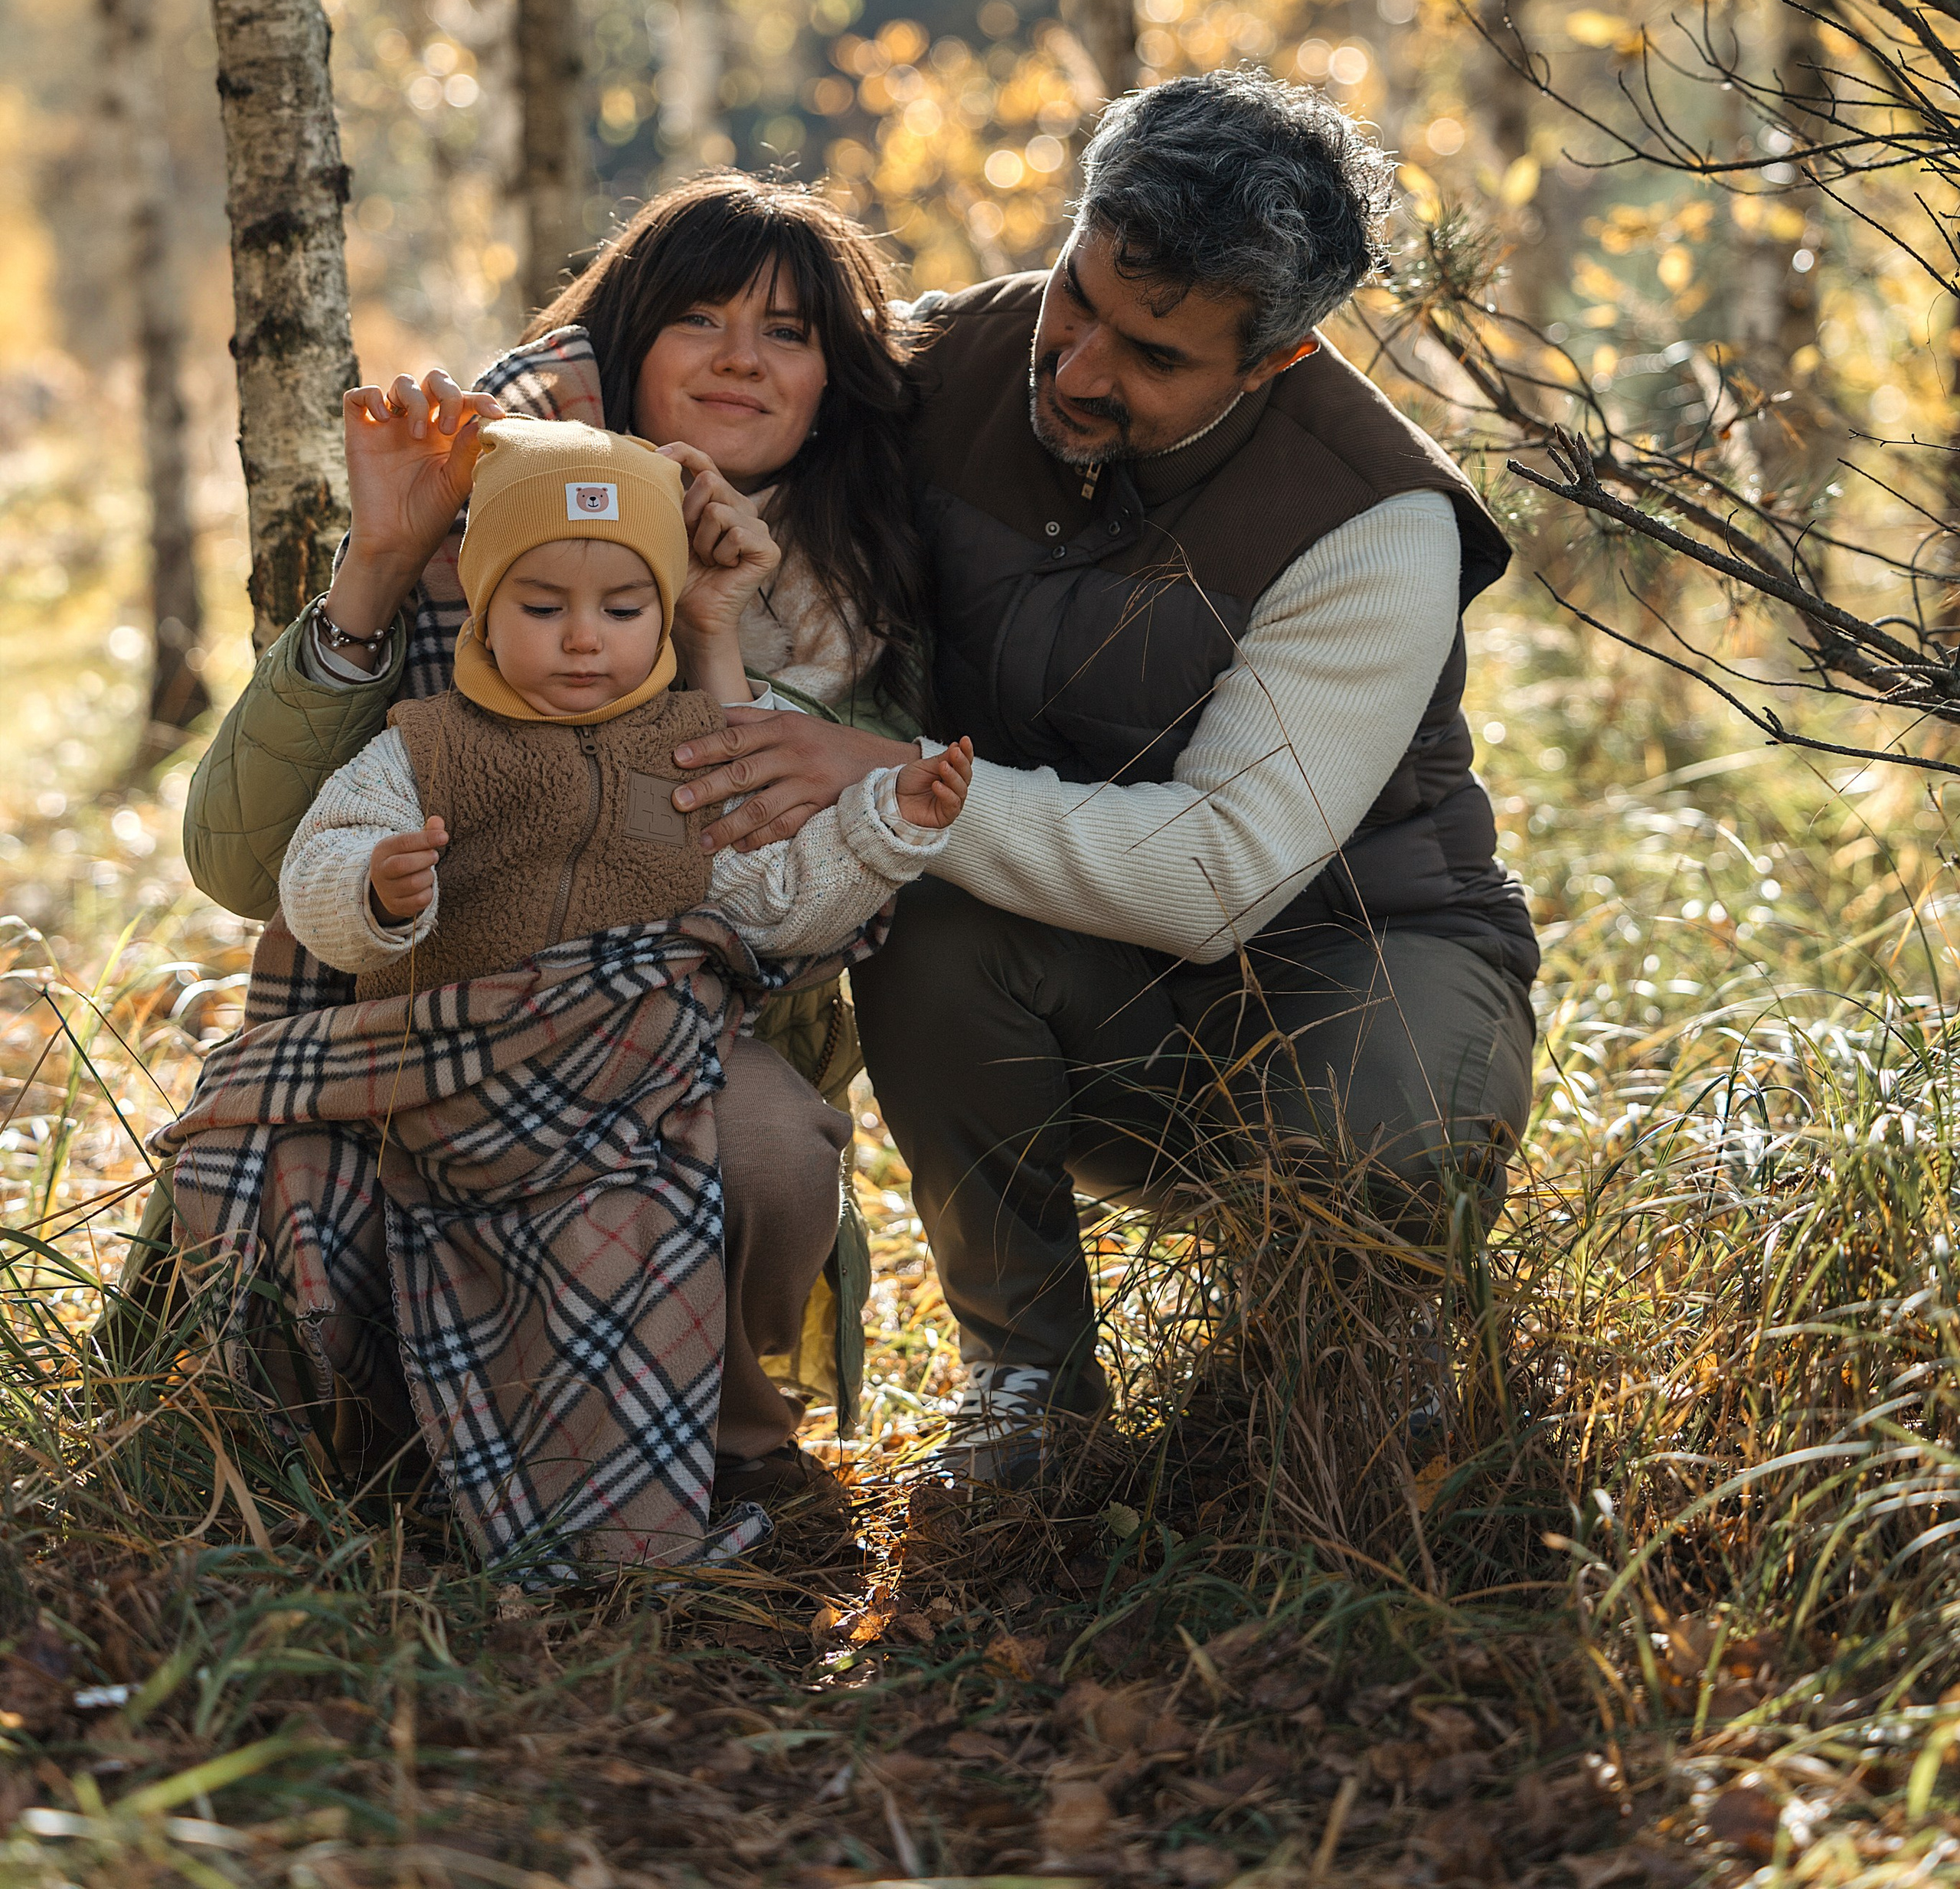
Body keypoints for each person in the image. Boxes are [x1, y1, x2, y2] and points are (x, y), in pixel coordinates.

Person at [658, 73, 1539, 1480]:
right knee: (927, 910)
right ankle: (1029, 1386)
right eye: (1078, 297)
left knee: (1352, 1299)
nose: (1076, 369)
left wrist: (884, 775)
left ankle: (1353, 1345)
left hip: (1358, 947)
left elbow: (1217, 878)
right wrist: (519, 425)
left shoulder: (1374, 522)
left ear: (1275, 361)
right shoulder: (943, 360)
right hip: (1062, 960)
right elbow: (702, 376)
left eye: (1153, 356)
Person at [166, 174, 932, 1497]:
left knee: (768, 1153)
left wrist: (709, 632)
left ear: (830, 381)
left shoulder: (857, 594)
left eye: (789, 332)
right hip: (435, 1003)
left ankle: (716, 1438)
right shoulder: (486, 535)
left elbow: (788, 902)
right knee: (312, 1163)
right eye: (700, 318)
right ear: (629, 346)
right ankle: (402, 1454)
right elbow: (241, 863)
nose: (742, 357)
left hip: (691, 1031)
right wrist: (382, 564)